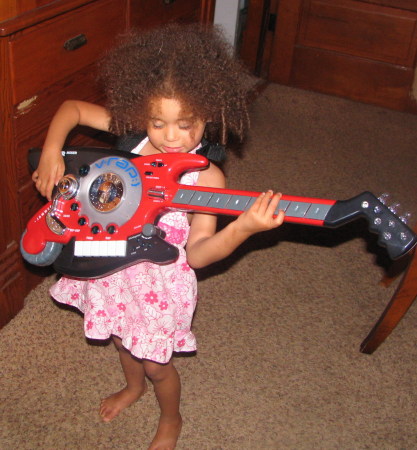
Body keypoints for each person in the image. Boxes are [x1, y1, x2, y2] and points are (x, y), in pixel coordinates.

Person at [32, 23, 285, 450]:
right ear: (141, 112)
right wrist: (52, 150)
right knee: (118, 338)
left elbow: (201, 254)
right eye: (158, 122)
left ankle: (172, 417)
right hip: (108, 268)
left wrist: (242, 228)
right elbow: (72, 109)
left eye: (186, 124)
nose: (171, 137)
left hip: (160, 284)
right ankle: (132, 389)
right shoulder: (131, 140)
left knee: (157, 366)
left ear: (210, 113)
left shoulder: (208, 178)